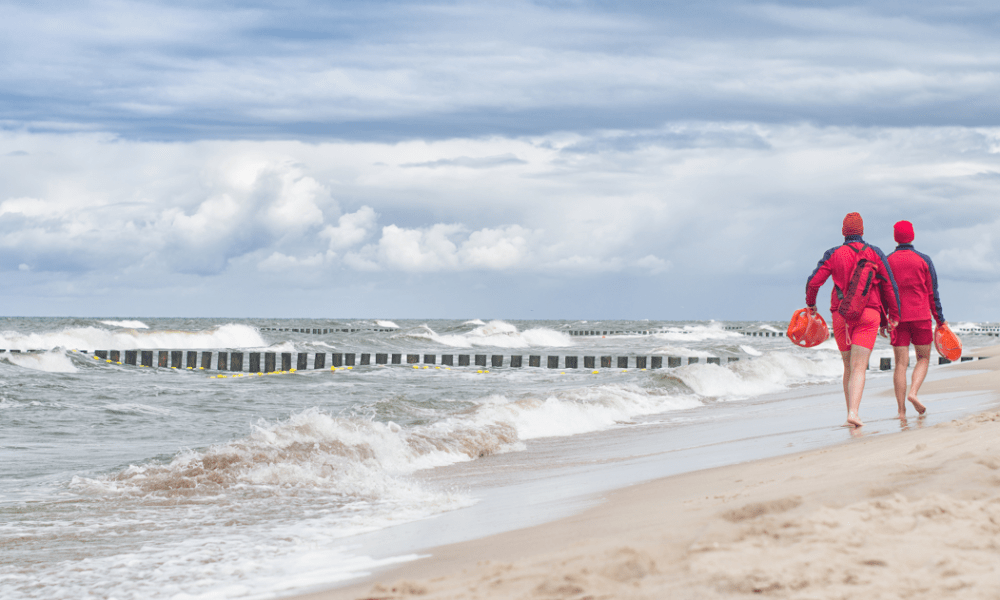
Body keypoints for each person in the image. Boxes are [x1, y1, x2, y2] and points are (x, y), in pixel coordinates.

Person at [805, 212, 901, 428]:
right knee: (859, 366)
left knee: (848, 365)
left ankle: (850, 412)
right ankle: (854, 412)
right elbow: (889, 285)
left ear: (843, 232)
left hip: (841, 315)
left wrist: (811, 304)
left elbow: (813, 282)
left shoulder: (833, 253)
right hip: (869, 314)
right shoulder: (875, 253)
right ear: (862, 231)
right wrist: (894, 315)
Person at [887, 220, 946, 419]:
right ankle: (913, 393)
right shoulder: (924, 260)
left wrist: (884, 318)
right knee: (923, 358)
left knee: (901, 364)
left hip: (897, 319)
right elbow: (933, 294)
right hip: (921, 316)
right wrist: (940, 319)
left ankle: (901, 411)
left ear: (896, 237)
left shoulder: (887, 261)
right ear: (911, 236)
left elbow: (883, 293)